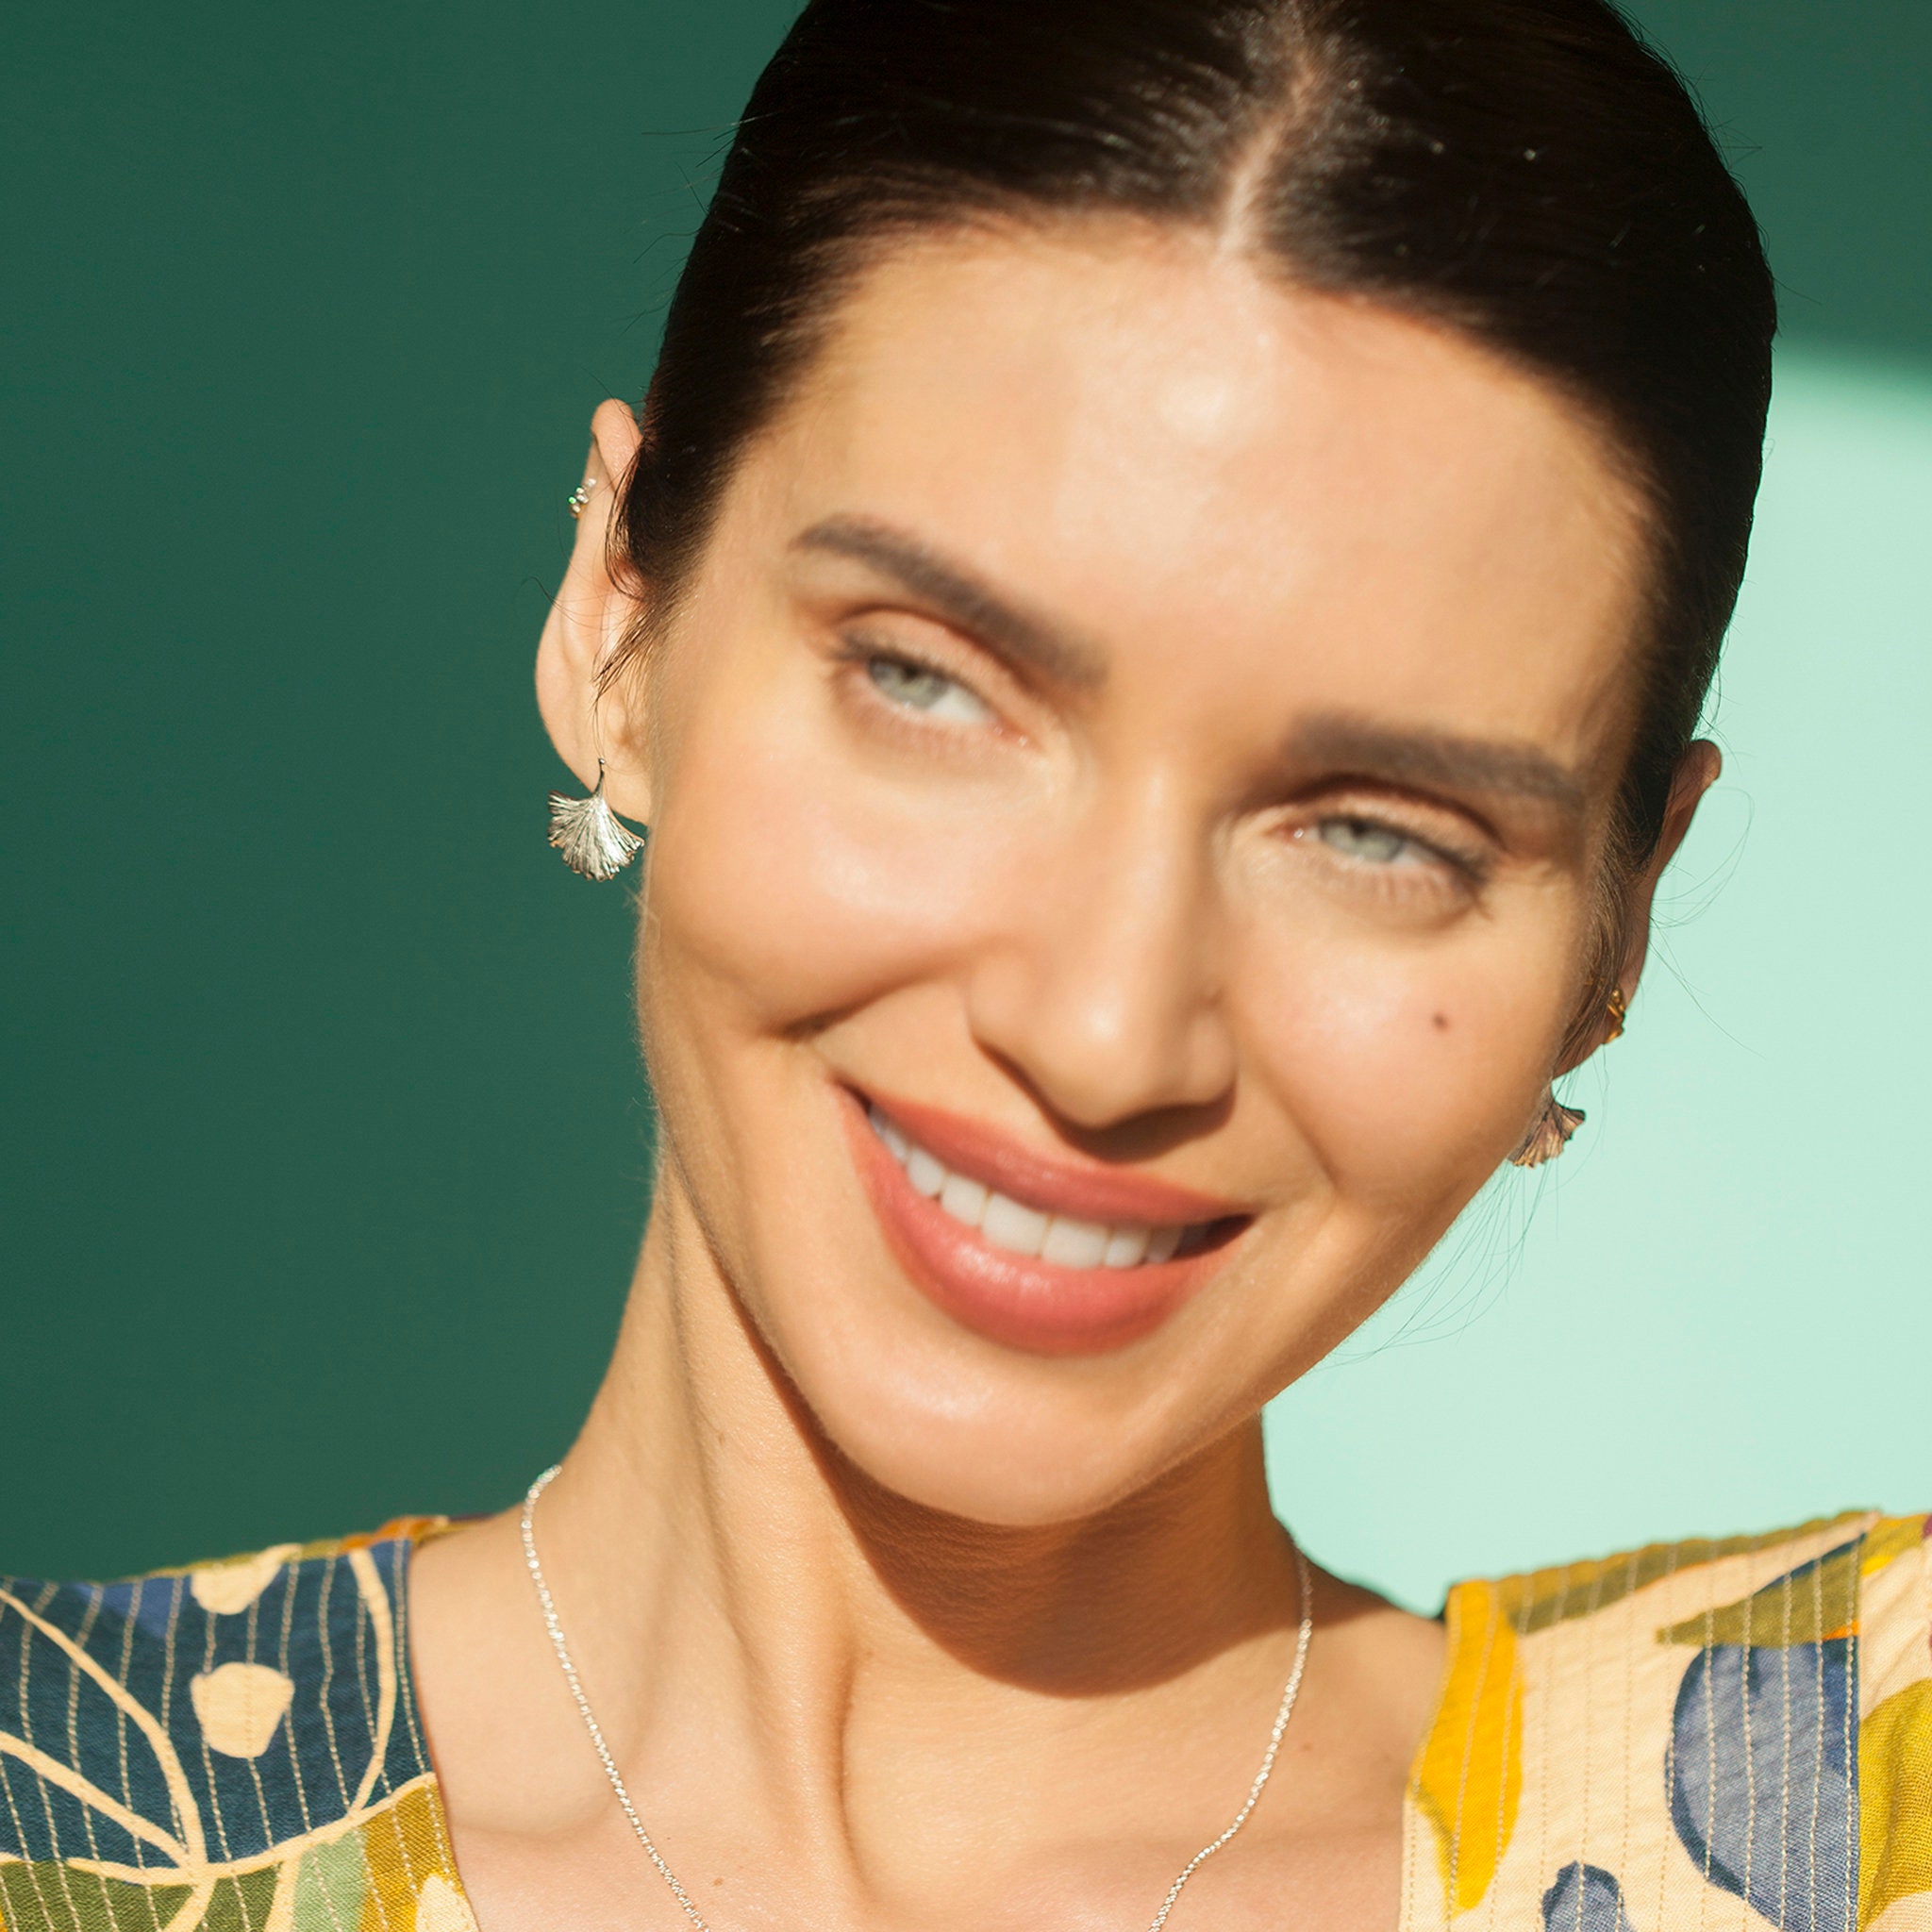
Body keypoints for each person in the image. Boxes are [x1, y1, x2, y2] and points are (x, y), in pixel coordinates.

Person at [4, 2, 1926, 1927]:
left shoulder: (1860, 1815)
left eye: (1379, 833)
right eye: (928, 683)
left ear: (1617, 922)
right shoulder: (55, 1827)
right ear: (619, 619)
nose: (1102, 1035)